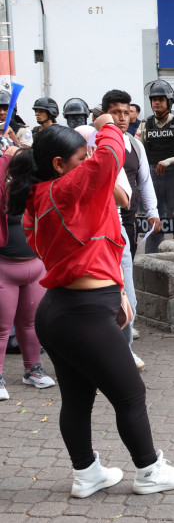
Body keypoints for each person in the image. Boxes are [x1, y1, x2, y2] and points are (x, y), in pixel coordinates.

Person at [6, 117, 174, 497]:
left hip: (62, 311)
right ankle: (149, 470)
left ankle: (87, 474)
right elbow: (109, 157)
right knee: (130, 394)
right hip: (82, 314)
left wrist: (117, 292)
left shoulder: (41, 198)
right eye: (80, 155)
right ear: (59, 165)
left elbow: (90, 248)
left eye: (87, 151)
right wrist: (109, 123)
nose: (89, 158)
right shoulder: (64, 190)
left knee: (78, 398)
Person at [101, 89, 161, 368]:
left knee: (127, 286)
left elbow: (145, 181)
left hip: (127, 221)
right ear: (104, 114)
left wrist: (153, 212)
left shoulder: (135, 145)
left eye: (126, 112)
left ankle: (124, 340)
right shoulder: (95, 144)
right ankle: (107, 344)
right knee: (105, 287)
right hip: (99, 224)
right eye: (116, 112)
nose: (122, 117)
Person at [0, 144, 55, 401]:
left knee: (30, 324)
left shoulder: (40, 189)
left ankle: (32, 369)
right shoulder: (3, 189)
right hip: (4, 269)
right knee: (1, 328)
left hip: (35, 267)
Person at [136, 79, 174, 253]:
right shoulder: (145, 125)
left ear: (168, 102)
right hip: (154, 183)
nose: (157, 102)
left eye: (161, 99)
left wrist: (169, 161)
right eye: (154, 99)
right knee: (154, 223)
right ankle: (151, 261)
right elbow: (137, 150)